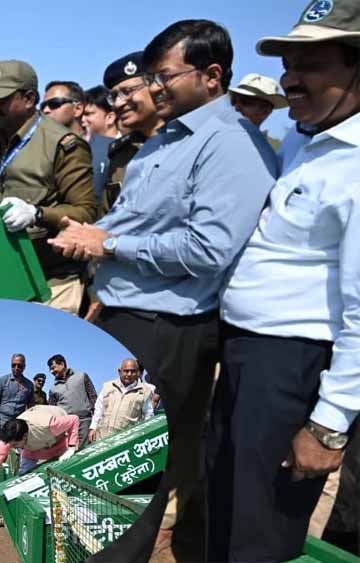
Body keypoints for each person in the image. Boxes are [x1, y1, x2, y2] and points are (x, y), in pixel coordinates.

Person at [49, 20, 278, 562]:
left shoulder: (231, 144)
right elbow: (134, 222)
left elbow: (208, 249)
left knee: (130, 474)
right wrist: (96, 250)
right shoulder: (166, 140)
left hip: (168, 329)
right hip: (125, 314)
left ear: (212, 75)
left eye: (164, 77)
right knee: (106, 464)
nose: (154, 89)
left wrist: (108, 246)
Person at [208, 3, 360, 559]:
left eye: (311, 65)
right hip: (244, 354)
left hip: (291, 366)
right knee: (224, 513)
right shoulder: (301, 140)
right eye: (288, 65)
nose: (289, 80)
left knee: (261, 535)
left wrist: (328, 425)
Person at [0, 60, 95, 316]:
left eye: (1, 99)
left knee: (44, 341)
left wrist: (37, 214)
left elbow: (85, 213)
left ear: (29, 99)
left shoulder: (62, 144)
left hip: (51, 279)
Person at [0, 405, 80, 506]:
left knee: (62, 476)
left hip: (58, 442)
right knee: (24, 478)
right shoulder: (10, 437)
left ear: (25, 436)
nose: (12, 447)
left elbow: (74, 419)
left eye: (15, 444)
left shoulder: (48, 424)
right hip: (31, 450)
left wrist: (71, 447)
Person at [99, 51, 164, 216]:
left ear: (154, 86)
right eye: (114, 96)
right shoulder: (121, 153)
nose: (118, 103)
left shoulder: (185, 141)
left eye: (127, 91)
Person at [89, 358, 155, 442]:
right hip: (101, 438)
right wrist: (93, 428)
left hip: (126, 442)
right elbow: (98, 409)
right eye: (126, 371)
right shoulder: (108, 386)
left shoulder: (145, 392)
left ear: (137, 372)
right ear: (119, 371)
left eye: (133, 371)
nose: (129, 374)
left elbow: (148, 415)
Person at [47, 354, 97, 448]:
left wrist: (95, 421)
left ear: (62, 364)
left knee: (86, 449)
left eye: (53, 368)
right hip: (67, 425)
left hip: (84, 422)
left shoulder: (81, 376)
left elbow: (93, 397)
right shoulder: (53, 388)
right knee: (70, 451)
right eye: (50, 370)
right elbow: (52, 410)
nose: (52, 371)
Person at [229, 72, 289, 149]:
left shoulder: (263, 150)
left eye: (245, 102)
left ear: (265, 111)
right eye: (233, 101)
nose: (236, 107)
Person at [82, 85, 118, 207]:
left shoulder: (130, 149)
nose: (82, 119)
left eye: (88, 114)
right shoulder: (84, 147)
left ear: (110, 117)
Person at [0, 354, 35, 443]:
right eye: (13, 365)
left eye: (19, 366)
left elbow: (31, 407)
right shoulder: (2, 381)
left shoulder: (29, 385)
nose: (16, 368)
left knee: (16, 450)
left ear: (24, 367)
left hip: (18, 426)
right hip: (1, 423)